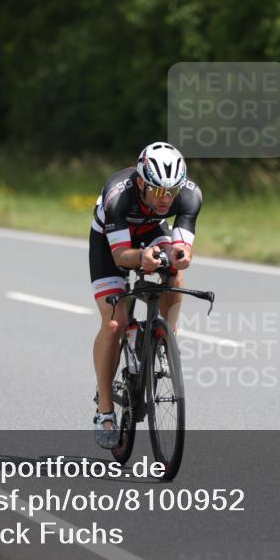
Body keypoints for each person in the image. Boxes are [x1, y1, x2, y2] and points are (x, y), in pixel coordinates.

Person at [89, 142, 202, 448]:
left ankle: (166, 335)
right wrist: (142, 259)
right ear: (141, 182)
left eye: (172, 191)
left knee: (174, 270)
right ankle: (105, 410)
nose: (166, 198)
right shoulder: (118, 196)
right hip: (111, 242)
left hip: (151, 230)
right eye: (157, 190)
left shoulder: (189, 195)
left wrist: (181, 254)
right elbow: (120, 255)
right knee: (115, 323)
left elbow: (182, 244)